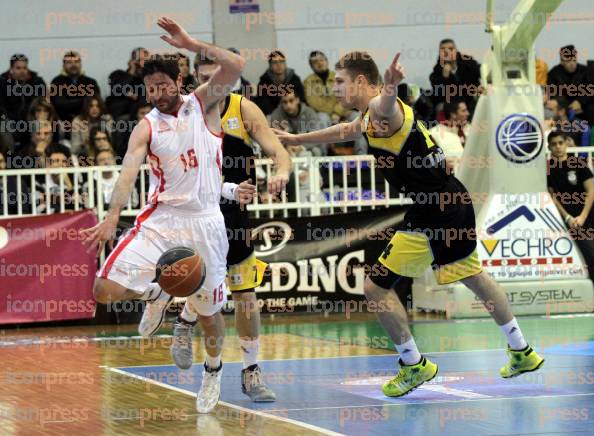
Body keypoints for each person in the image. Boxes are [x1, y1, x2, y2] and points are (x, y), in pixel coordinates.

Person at [274, 51, 544, 397]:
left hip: (433, 212)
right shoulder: (368, 119)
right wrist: (296, 140)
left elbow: (386, 103)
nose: (336, 88)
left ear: (360, 82)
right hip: (454, 201)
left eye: (340, 82)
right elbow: (346, 129)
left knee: (374, 288)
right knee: (474, 276)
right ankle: (521, 350)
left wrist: (390, 84)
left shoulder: (380, 109)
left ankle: (413, 364)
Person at [80, 17, 250, 414]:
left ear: (180, 82)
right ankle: (156, 291)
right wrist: (111, 217)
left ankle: (212, 372)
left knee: (209, 317)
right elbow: (126, 173)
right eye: (150, 87)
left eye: (163, 85)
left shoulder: (204, 104)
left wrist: (191, 43)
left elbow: (237, 65)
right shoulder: (147, 126)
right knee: (103, 290)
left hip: (207, 223)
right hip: (161, 221)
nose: (156, 93)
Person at [157, 52, 291, 402]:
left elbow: (278, 150)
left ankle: (251, 372)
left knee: (246, 297)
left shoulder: (243, 109)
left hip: (234, 216)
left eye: (215, 77)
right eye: (202, 78)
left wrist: (281, 171)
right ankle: (186, 323)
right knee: (205, 291)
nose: (209, 85)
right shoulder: (184, 113)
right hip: (197, 214)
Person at [546, 131, 594, 281]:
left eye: (560, 143)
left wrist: (583, 216)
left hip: (587, 215)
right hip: (568, 221)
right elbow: (552, 196)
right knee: (591, 256)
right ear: (549, 147)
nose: (558, 147)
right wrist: (567, 218)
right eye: (554, 144)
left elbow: (591, 190)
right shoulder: (548, 169)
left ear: (567, 143)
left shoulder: (578, 163)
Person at [0, 54, 46, 145]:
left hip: (31, 118)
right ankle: (10, 155)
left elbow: (41, 103)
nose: (22, 71)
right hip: (9, 120)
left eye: (24, 68)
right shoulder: (2, 82)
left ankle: (37, 153)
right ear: (11, 69)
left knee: (40, 123)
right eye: (18, 68)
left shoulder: (37, 82)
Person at [269, 90, 331, 156]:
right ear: (281, 103)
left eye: (291, 100)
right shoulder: (276, 115)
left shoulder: (309, 113)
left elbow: (317, 137)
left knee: (315, 151)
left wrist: (301, 147)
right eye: (285, 102)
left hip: (307, 147)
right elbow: (274, 139)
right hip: (286, 148)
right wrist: (286, 146)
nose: (288, 105)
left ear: (297, 100)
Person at [429, 39, 480, 118]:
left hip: (470, 104)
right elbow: (438, 97)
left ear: (456, 51)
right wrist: (445, 77)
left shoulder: (469, 64)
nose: (447, 52)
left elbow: (482, 73)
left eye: (450, 49)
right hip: (451, 111)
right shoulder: (436, 73)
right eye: (443, 50)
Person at [50, 51, 100, 124]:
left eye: (76, 61)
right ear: (64, 65)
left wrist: (71, 102)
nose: (73, 65)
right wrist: (84, 100)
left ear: (81, 64)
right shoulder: (57, 81)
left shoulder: (91, 82)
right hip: (64, 121)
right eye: (69, 62)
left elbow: (96, 103)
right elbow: (60, 104)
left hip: (87, 120)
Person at [254, 51, 305, 115]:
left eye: (281, 61)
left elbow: (301, 100)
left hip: (293, 115)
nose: (279, 65)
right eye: (275, 62)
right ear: (270, 65)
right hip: (273, 116)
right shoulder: (264, 82)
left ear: (285, 64)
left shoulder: (294, 79)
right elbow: (262, 104)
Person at [304, 51, 349, 123]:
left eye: (321, 60)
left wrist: (337, 113)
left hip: (342, 112)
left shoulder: (339, 77)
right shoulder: (308, 81)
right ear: (311, 66)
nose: (319, 63)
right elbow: (314, 103)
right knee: (322, 118)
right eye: (315, 62)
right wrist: (333, 114)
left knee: (356, 115)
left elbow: (347, 97)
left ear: (327, 62)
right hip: (323, 115)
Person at [106, 47, 150, 119]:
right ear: (133, 61)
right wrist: (131, 71)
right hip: (123, 116)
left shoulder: (148, 80)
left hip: (142, 117)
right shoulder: (118, 75)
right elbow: (117, 89)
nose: (142, 64)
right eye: (140, 60)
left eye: (146, 61)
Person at [428, 100, 470, 173]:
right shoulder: (434, 133)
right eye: (463, 111)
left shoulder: (470, 129)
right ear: (453, 114)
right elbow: (429, 159)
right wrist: (443, 163)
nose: (468, 113)